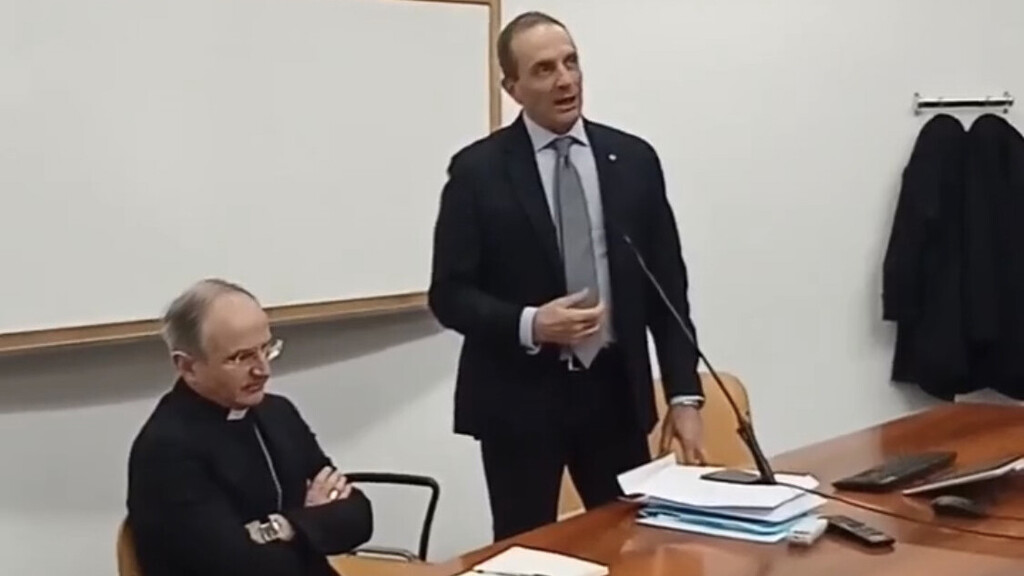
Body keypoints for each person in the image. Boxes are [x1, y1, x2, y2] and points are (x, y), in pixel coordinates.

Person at [428, 11, 706, 541]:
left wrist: (684, 396)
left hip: (614, 393)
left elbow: (668, 291)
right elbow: (449, 295)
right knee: (528, 550)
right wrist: (532, 323)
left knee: (628, 544)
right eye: (544, 69)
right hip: (519, 401)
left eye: (571, 62)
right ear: (512, 88)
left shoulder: (633, 160)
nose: (565, 80)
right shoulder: (478, 172)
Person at [125, 279, 372, 576]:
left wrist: (284, 527)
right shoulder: (166, 450)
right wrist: (313, 525)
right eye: (240, 357)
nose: (262, 370)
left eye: (266, 349)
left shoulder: (277, 413)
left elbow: (358, 516)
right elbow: (239, 567)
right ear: (188, 367)